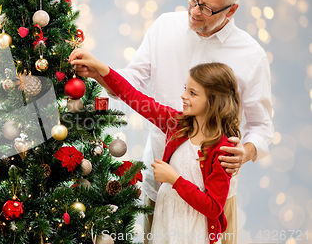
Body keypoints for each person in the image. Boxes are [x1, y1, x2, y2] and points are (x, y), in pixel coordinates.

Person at [73, 0, 273, 244]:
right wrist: (100, 70)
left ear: (231, 10)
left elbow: (262, 127)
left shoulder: (251, 57)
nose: (194, 10)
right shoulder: (165, 30)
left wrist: (247, 151)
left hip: (210, 209)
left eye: (206, 8)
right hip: (163, 193)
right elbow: (135, 93)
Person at [70, 49, 239, 244]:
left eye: (192, 93)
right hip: (166, 221)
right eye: (186, 88)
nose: (183, 96)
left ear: (214, 102)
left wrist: (174, 180)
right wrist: (101, 69)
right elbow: (134, 97)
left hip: (194, 232)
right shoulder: (175, 123)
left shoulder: (223, 150)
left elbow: (213, 207)